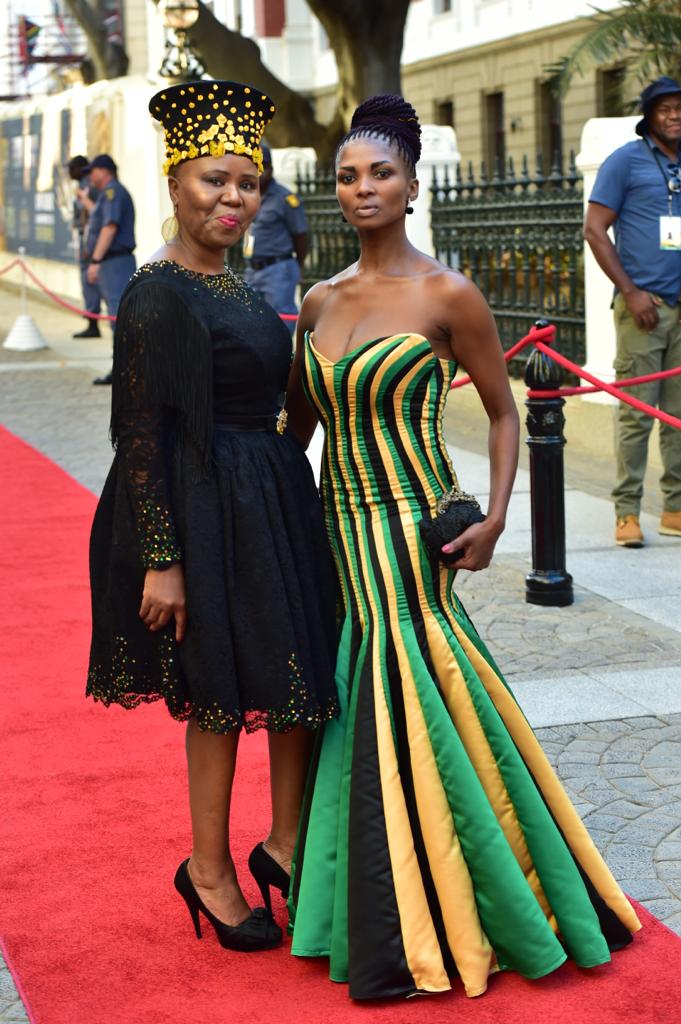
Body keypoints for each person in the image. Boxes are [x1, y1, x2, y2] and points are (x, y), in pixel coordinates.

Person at [286, 95, 640, 1000]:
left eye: (381, 175)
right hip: (338, 530)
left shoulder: (448, 294)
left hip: (413, 532)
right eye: (348, 177)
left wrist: (494, 521)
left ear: (411, 186)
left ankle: (449, 910)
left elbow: (502, 410)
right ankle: (385, 901)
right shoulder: (318, 299)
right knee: (362, 694)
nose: (362, 189)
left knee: (413, 685)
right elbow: (290, 431)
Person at [86, 80, 338, 954]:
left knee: (302, 680)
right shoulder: (155, 294)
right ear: (174, 183)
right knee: (223, 693)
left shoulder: (240, 287)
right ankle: (210, 868)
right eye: (213, 181)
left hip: (270, 496)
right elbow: (139, 433)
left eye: (247, 183)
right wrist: (162, 557)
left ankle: (287, 845)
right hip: (199, 510)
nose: (232, 199)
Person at [584, 76, 681, 548]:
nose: (675, 115)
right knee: (636, 415)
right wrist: (631, 291)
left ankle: (675, 509)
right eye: (665, 108)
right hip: (644, 309)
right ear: (650, 116)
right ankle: (626, 512)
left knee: (680, 415)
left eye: (680, 107)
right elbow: (595, 230)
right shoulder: (625, 161)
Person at [83, 154, 137, 386]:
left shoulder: (113, 192)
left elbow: (109, 227)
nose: (89, 176)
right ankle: (123, 369)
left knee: (119, 318)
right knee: (116, 318)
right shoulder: (107, 194)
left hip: (115, 263)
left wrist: (95, 261)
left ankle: (125, 372)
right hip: (111, 263)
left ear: (104, 171)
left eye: (92, 171)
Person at [243, 144, 307, 330]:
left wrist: (299, 265)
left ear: (271, 169)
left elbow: (301, 236)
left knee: (281, 322)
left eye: (263, 167)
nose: (259, 173)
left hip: (278, 269)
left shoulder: (285, 199)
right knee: (252, 320)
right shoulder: (247, 195)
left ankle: (284, 358)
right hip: (252, 269)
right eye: (255, 168)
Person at [67, 155, 102, 338]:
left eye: (72, 168)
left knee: (92, 281)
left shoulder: (90, 186)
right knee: (87, 282)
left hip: (91, 240)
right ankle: (91, 321)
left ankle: (93, 323)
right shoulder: (82, 185)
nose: (69, 172)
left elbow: (97, 212)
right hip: (84, 239)